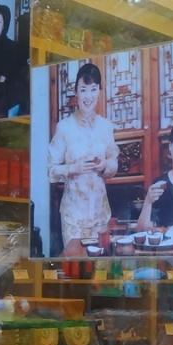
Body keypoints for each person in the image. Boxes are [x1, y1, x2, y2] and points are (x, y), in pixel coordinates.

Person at [47, 62, 118, 248]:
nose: (88, 96)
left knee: (100, 264)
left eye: (93, 89)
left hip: (100, 217)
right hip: (73, 218)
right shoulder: (64, 128)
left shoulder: (106, 127)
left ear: (99, 91)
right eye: (83, 90)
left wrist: (104, 165)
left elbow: (114, 164)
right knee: (76, 264)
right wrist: (73, 168)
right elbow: (51, 171)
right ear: (76, 92)